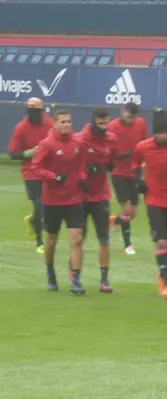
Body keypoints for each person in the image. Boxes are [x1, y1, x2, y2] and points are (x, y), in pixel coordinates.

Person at [30, 110, 87, 295]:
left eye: (69, 121)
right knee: (51, 241)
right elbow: (36, 168)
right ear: (55, 123)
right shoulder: (46, 145)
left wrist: (83, 177)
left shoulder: (78, 142)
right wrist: (53, 177)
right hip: (52, 200)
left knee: (77, 239)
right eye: (63, 121)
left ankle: (76, 280)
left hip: (74, 199)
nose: (66, 125)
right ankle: (50, 272)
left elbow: (81, 165)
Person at [133, 110, 167, 299]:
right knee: (162, 241)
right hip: (154, 200)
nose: (162, 135)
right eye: (159, 132)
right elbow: (135, 163)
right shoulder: (142, 147)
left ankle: (162, 272)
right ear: (154, 132)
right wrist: (138, 180)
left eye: (165, 132)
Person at [76, 108, 118, 293]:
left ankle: (104, 279)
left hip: (101, 195)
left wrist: (110, 165)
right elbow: (72, 162)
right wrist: (83, 175)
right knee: (77, 238)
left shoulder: (111, 139)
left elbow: (112, 160)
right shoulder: (80, 139)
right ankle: (74, 276)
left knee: (104, 239)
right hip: (80, 196)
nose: (104, 126)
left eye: (106, 123)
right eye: (100, 123)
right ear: (93, 121)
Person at [8, 97, 54, 254]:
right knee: (39, 202)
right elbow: (13, 153)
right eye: (29, 108)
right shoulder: (21, 127)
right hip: (30, 172)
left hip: (48, 171)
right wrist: (30, 152)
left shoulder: (50, 124)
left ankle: (34, 220)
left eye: (35, 108)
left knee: (47, 206)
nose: (32, 111)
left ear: (42, 110)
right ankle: (39, 242)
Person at [108, 102, 147, 255]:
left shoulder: (141, 124)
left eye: (134, 117)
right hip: (119, 172)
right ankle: (127, 244)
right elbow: (109, 150)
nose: (131, 120)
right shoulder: (113, 127)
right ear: (122, 112)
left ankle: (113, 221)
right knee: (127, 208)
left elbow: (144, 143)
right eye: (129, 116)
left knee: (132, 214)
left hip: (135, 171)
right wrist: (119, 156)